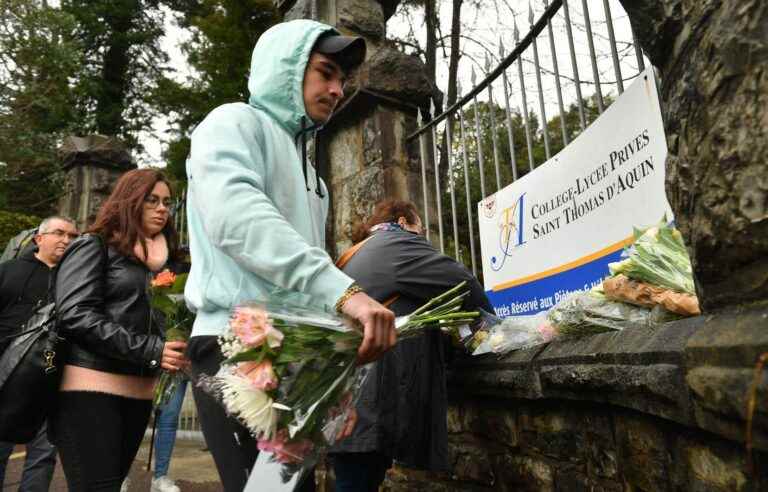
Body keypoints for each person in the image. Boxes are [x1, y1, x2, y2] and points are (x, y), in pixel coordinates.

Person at [184, 19, 396, 492]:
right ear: (287, 70)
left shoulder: (314, 180)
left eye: (342, 79)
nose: (337, 89)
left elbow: (302, 278)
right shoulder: (232, 122)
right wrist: (347, 294)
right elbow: (238, 219)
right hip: (234, 345)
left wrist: (334, 375)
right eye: (325, 72)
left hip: (296, 354)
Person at [329, 199, 493, 491]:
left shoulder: (356, 253)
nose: (423, 236)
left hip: (343, 391)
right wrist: (493, 329)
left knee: (352, 478)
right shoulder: (399, 243)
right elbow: (463, 283)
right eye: (421, 228)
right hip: (367, 399)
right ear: (404, 221)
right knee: (356, 481)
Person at [49, 169, 188, 492]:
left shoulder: (171, 263)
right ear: (130, 201)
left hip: (139, 394)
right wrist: (152, 350)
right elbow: (75, 314)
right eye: (151, 200)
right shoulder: (93, 245)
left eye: (167, 202)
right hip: (89, 391)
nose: (162, 209)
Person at [0, 216, 78, 492]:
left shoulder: (77, 282)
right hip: (5, 376)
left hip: (51, 377)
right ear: (39, 238)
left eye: (72, 236)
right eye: (59, 233)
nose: (66, 240)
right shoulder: (8, 271)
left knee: (43, 457)